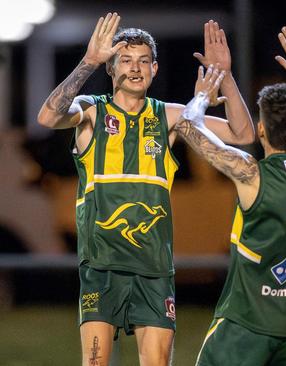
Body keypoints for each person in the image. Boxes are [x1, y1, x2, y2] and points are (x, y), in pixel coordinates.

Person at [36, 13, 255, 365]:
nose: (135, 69)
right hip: (101, 268)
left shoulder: (169, 116)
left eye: (143, 61)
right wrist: (88, 62)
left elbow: (242, 135)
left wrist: (225, 78)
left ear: (154, 68)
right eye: (125, 60)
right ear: (111, 69)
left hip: (153, 271)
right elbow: (47, 117)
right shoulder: (92, 112)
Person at [173, 27, 286, 366]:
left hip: (245, 324)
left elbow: (186, 126)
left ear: (260, 130)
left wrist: (205, 90)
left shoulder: (250, 173)